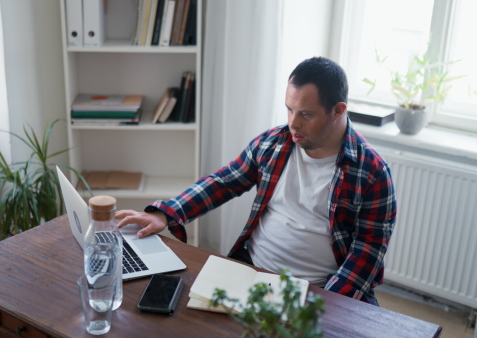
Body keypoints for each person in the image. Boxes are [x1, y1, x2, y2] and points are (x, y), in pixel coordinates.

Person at [116, 56, 397, 305]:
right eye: (289, 109)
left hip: (322, 290)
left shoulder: (372, 172)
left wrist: (318, 307)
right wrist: (167, 214)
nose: (293, 124)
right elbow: (224, 182)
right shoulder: (273, 143)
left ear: (337, 110)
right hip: (253, 272)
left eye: (305, 114)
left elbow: (367, 252)